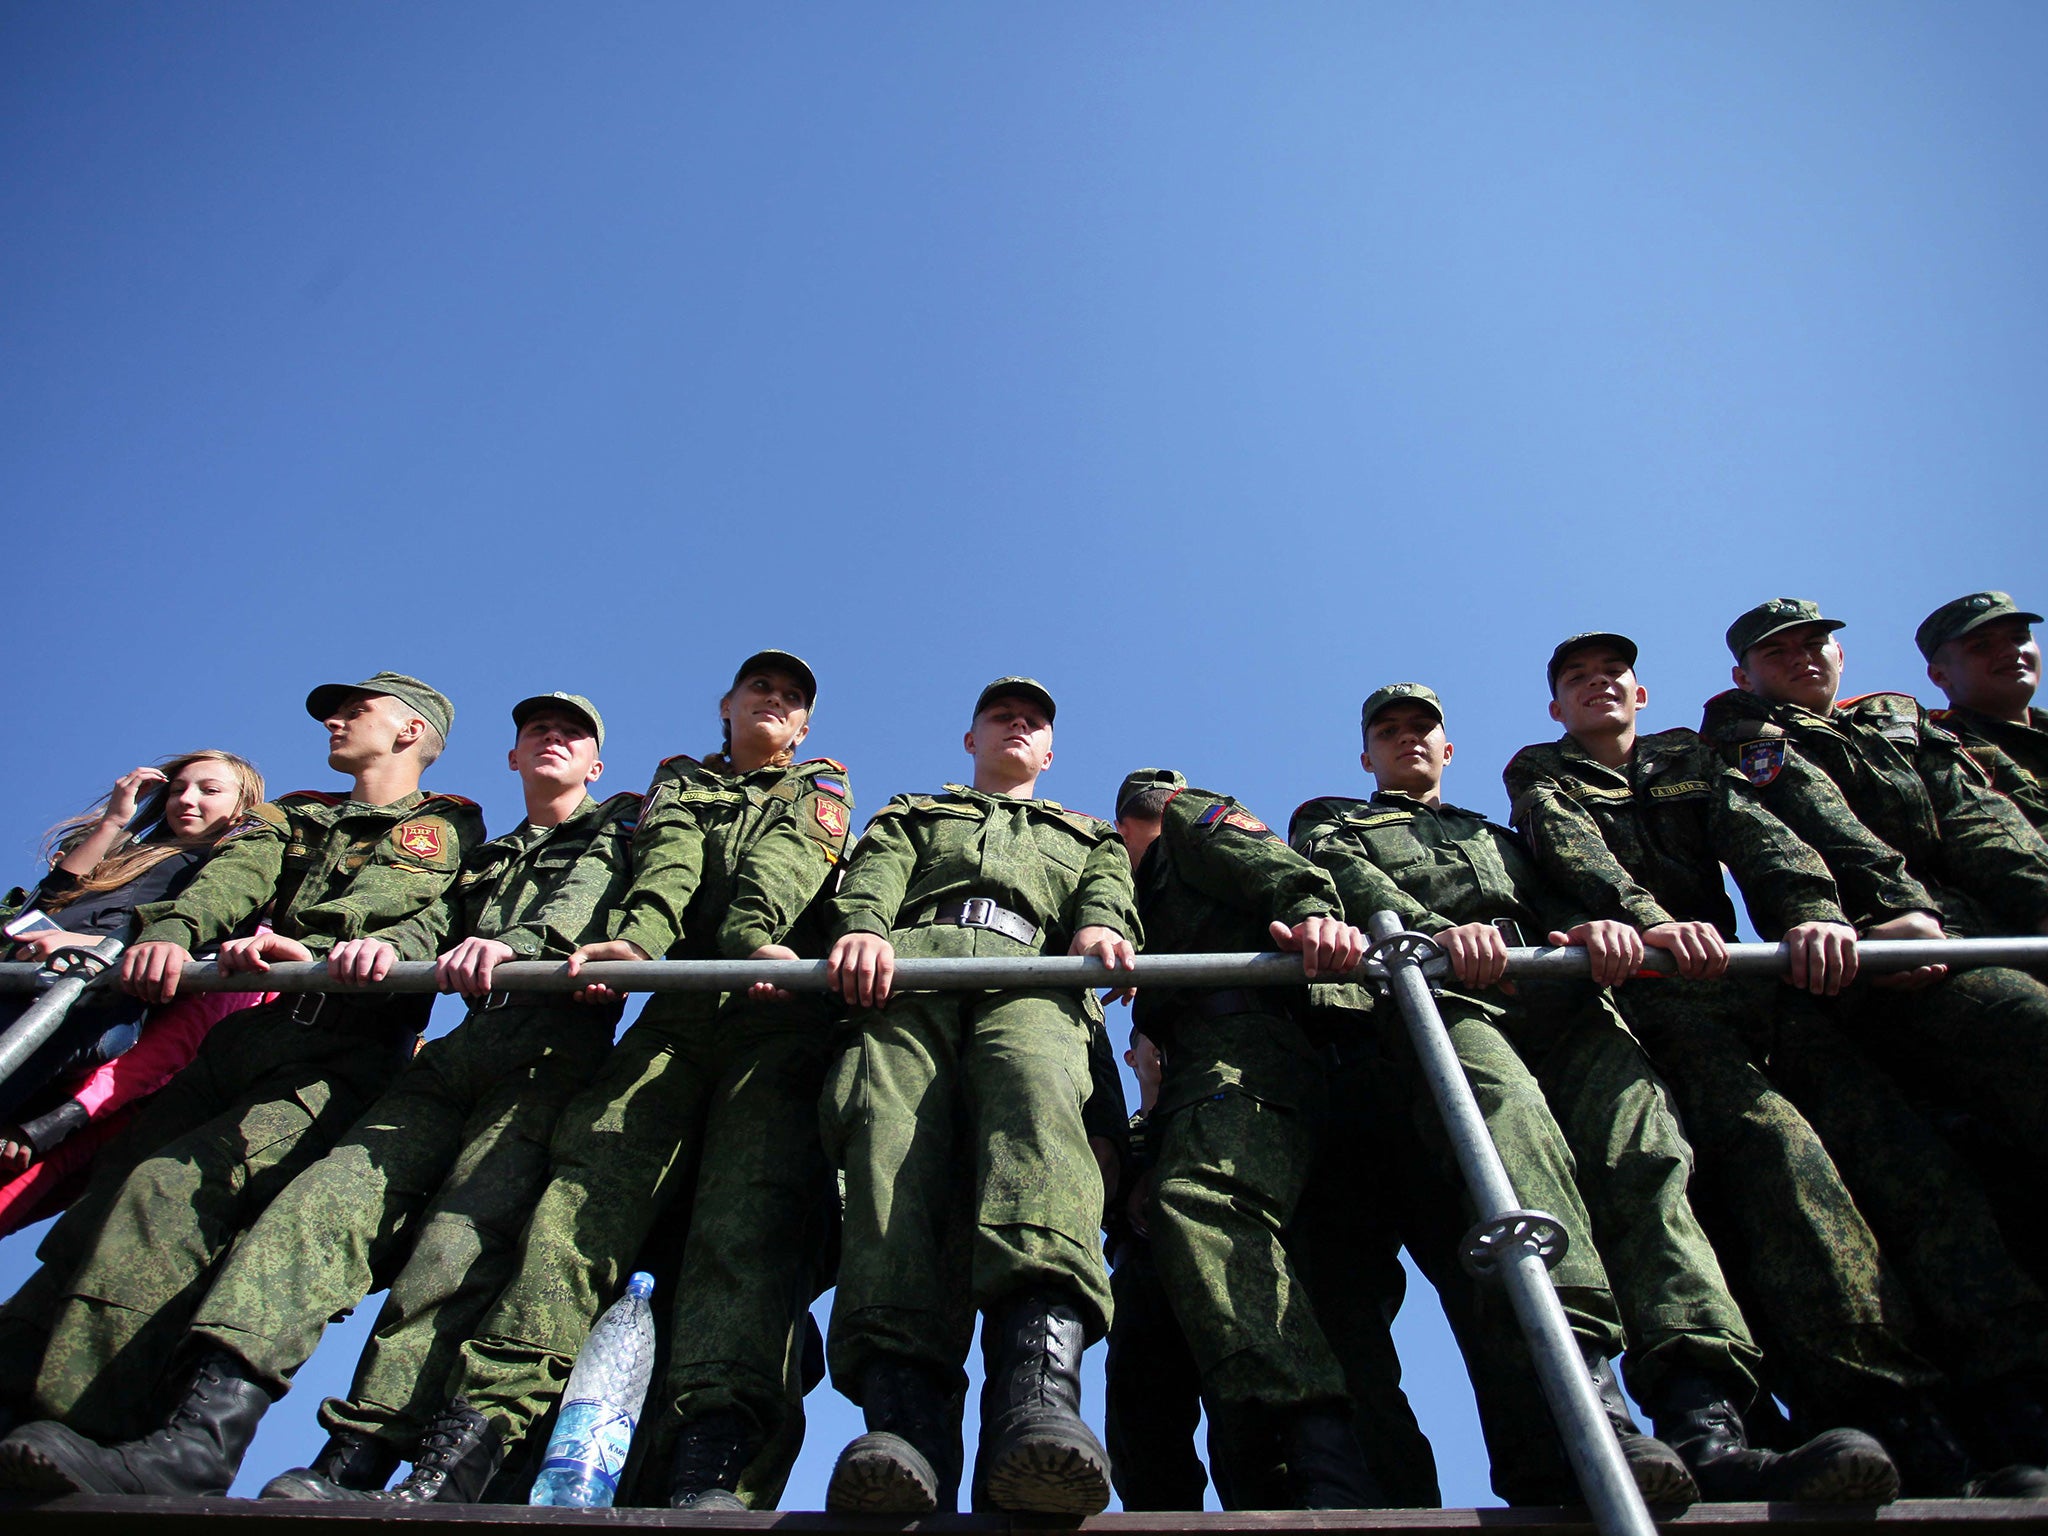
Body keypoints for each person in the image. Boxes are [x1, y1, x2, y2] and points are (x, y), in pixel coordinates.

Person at [0, 693, 639, 1498]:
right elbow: (428, 919)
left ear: (596, 763)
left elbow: (585, 891)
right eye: (535, 731)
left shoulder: (606, 822)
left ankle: (356, 1460)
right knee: (302, 1216)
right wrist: (201, 932)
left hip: (540, 1055)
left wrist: (501, 943)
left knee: (453, 1250)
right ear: (510, 756)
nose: (551, 740)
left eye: (571, 734)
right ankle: (188, 1436)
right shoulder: (482, 852)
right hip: (449, 1050)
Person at [1292, 683, 1888, 1506]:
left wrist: (1595, 927)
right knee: (1518, 1153)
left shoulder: (1504, 834)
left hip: (1568, 1000)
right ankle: (1592, 1411)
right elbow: (1349, 884)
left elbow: (1566, 891)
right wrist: (1430, 926)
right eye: (1388, 734)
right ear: (1367, 756)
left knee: (1646, 1160)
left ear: (1448, 748)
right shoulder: (1333, 818)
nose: (1407, 743)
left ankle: (1705, 1418)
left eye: (1422, 731)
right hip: (1454, 999)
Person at [1512, 632, 2048, 1495]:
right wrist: (1651, 919)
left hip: (1752, 981)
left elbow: (1755, 828)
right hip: (1660, 990)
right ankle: (1898, 1422)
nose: (1599, 687)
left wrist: (1813, 910)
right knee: (1782, 1165)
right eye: (1577, 680)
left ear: (1642, 696)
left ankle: (2010, 1401)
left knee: (1903, 1160)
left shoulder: (1690, 755)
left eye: (1614, 676)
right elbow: (1573, 851)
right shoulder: (1541, 770)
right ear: (1556, 707)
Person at [360, 651, 852, 1513]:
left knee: (749, 1225)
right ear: (726, 705)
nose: (774, 703)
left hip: (776, 1020)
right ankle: (475, 1440)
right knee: (576, 1210)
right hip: (675, 1015)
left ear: (805, 726)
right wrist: (639, 943)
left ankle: (713, 1466)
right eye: (759, 689)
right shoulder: (677, 784)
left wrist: (748, 943)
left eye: (791, 699)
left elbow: (785, 869)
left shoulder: (821, 786)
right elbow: (664, 865)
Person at [819, 676, 1138, 1516]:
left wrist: (1103, 927)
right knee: (888, 1151)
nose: (1018, 725)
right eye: (1001, 715)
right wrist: (860, 927)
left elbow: (1108, 898)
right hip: (910, 977)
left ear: (1049, 751)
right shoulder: (915, 810)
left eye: (1033, 721)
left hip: (1032, 975)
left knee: (1039, 1122)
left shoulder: (1090, 833)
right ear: (972, 739)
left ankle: (1037, 1407)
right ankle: (905, 1429)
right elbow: (875, 874)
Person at [1110, 767, 1399, 1509]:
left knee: (1201, 1200)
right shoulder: (1143, 900)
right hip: (1205, 1071)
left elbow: (1271, 865)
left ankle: (1316, 1448)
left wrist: (1310, 913)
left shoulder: (1180, 824)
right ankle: (1309, 1465)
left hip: (1247, 1043)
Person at [1699, 602, 2048, 1193]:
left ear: (1841, 654)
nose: (1801, 659)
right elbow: (1820, 819)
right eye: (1776, 652)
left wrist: (2038, 900)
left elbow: (1975, 815)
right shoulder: (1742, 732)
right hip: (1880, 947)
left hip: (1983, 924)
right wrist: (1898, 906)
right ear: (1744, 675)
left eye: (1814, 645)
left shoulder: (1896, 718)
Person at [0, 753, 274, 1229]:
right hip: (21, 979)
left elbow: (195, 949)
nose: (186, 800)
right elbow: (49, 901)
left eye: (209, 791)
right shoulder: (133, 854)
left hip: (92, 1006)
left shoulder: (227, 875)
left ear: (242, 808)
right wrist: (113, 821)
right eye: (177, 790)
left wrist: (83, 946)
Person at [1099, 1025, 1211, 1512]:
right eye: (1150, 1036)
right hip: (1141, 1281)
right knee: (1144, 1432)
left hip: (1220, 1273)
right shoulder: (1117, 1138)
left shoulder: (1217, 1123)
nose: (1161, 1047)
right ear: (1131, 1057)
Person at [1919, 591, 2048, 830]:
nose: (2012, 651)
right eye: (1982, 646)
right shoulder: (1942, 748)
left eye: (2019, 637)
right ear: (1940, 674)